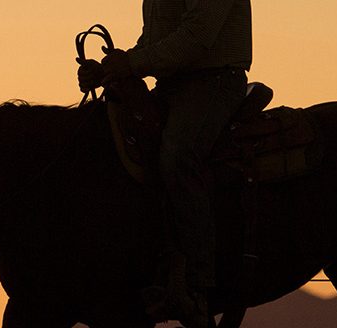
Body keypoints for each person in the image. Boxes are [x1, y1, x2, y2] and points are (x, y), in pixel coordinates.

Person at [78, 0, 252, 327]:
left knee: (178, 156)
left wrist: (131, 63)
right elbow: (157, 39)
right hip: (172, 87)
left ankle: (198, 283)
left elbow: (197, 36)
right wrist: (109, 69)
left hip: (214, 83)